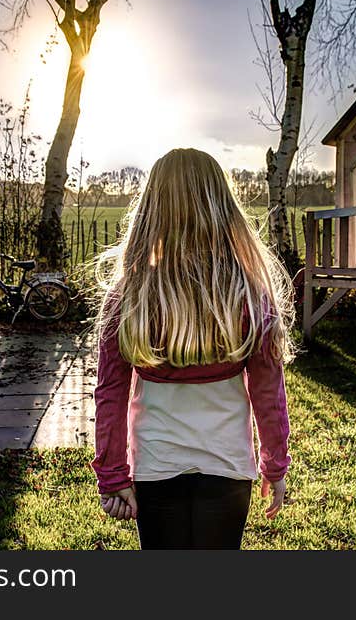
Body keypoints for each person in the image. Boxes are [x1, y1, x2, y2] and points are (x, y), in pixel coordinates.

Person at [90, 147, 295, 549]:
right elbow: (268, 391)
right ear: (222, 208)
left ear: (153, 209)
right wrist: (275, 464)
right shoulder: (249, 296)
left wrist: (113, 473)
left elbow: (109, 393)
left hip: (155, 466)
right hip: (229, 467)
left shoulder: (130, 296)